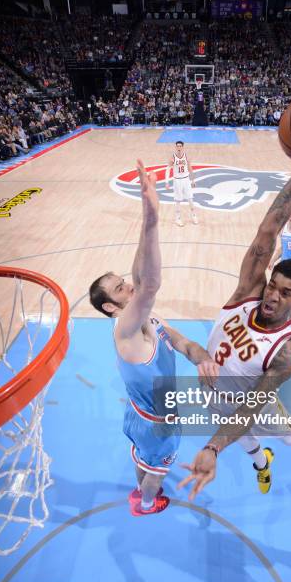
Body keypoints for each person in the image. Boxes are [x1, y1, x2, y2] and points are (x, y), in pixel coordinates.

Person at [178, 163, 291, 501]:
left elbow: (250, 406)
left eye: (286, 293)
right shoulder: (248, 292)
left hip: (251, 402)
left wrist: (213, 448)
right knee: (245, 439)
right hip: (213, 390)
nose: (272, 296)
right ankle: (262, 462)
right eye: (273, 286)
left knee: (290, 435)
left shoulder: (286, 353)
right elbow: (267, 232)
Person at [89, 160, 218, 516]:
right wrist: (152, 219)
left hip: (140, 413)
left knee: (143, 460)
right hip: (158, 424)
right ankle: (146, 502)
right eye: (120, 289)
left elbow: (183, 343)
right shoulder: (126, 331)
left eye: (123, 282)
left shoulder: (149, 319)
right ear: (112, 308)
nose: (128, 286)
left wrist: (202, 357)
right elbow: (150, 285)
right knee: (155, 475)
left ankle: (140, 488)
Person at [165, 140, 198, 227]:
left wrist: (193, 180)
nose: (179, 148)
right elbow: (168, 169)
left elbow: (190, 168)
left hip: (186, 179)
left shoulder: (186, 156)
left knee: (190, 199)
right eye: (177, 146)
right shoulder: (173, 158)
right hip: (177, 180)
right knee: (178, 200)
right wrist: (167, 182)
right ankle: (178, 218)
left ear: (183, 147)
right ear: (175, 147)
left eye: (180, 146)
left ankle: (194, 216)